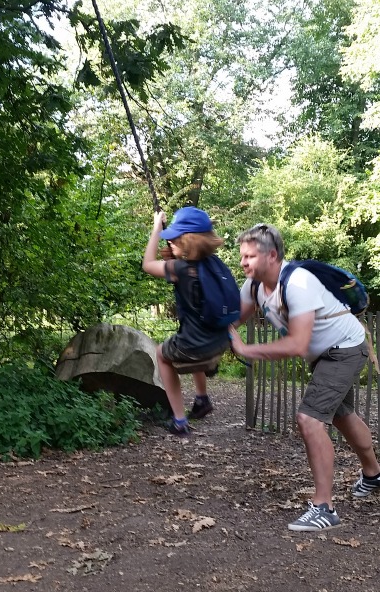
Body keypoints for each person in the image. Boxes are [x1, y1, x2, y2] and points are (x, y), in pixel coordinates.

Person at [229, 223, 380, 532]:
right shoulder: (253, 286)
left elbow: (296, 344)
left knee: (309, 420)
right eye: (242, 256)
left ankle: (325, 508)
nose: (243, 262)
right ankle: (374, 473)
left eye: (250, 256)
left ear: (272, 255)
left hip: (345, 349)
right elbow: (233, 320)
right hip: (325, 354)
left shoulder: (297, 283)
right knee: (342, 416)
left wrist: (246, 350)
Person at [142, 206, 231, 436]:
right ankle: (201, 399)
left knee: (162, 353)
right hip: (220, 340)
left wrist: (155, 228)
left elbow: (147, 264)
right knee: (186, 338)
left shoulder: (181, 269)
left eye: (174, 238)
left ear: (187, 240)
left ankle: (179, 421)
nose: (169, 242)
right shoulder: (214, 264)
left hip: (197, 345)